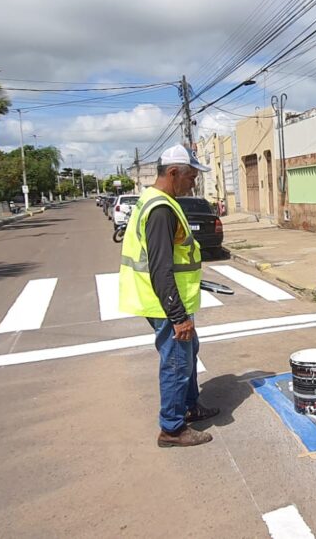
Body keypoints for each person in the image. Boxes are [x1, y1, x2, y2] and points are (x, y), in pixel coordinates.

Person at [118, 144, 220, 448]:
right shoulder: (161, 209)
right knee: (176, 362)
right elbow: (160, 268)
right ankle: (172, 428)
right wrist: (178, 318)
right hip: (165, 305)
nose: (194, 183)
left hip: (171, 301)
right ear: (173, 173)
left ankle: (190, 406)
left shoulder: (159, 201)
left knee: (189, 352)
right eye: (190, 177)